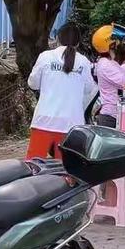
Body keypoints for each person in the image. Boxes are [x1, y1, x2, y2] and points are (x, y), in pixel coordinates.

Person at [27, 23, 97, 159]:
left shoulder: (45, 57)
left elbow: (33, 84)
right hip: (71, 124)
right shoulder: (84, 62)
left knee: (33, 166)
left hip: (44, 120)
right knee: (65, 168)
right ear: (78, 43)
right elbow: (89, 88)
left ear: (58, 39)